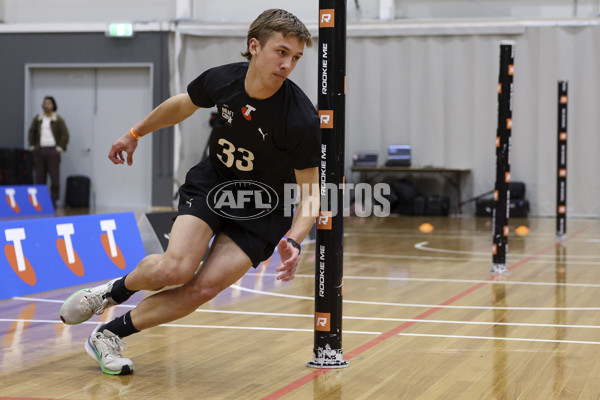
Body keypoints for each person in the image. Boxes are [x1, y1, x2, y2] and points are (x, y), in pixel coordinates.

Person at [59, 8, 320, 375]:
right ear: (254, 46)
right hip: (215, 182)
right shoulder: (224, 79)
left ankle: (106, 335)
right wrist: (133, 135)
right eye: (281, 52)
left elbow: (311, 193)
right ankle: (112, 292)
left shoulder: (300, 119)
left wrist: (295, 238)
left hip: (263, 209)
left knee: (203, 289)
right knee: (175, 268)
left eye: (296, 58)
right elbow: (183, 104)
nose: (288, 64)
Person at [28, 96, 69, 207]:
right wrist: (32, 146)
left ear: (53, 105)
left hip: (52, 151)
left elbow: (65, 134)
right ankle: (40, 202)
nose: (47, 105)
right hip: (40, 151)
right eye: (45, 103)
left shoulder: (58, 120)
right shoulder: (38, 119)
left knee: (55, 179)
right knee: (40, 178)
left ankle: (53, 202)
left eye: (49, 103)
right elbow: (31, 132)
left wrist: (60, 148)